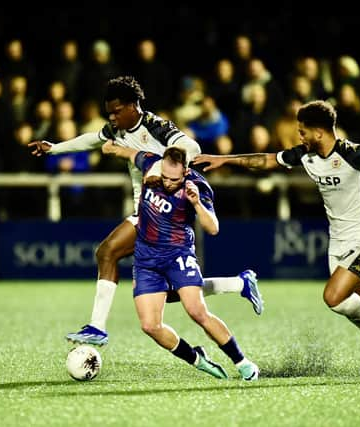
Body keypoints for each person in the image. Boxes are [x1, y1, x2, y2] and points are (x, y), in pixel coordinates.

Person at [193, 100, 360, 382]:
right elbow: (267, 159)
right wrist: (225, 160)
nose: (300, 136)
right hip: (338, 240)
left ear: (319, 133)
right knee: (354, 307)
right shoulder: (305, 155)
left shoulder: (352, 153)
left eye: (303, 131)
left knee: (333, 297)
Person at [29, 76, 263, 346]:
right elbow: (92, 139)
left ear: (134, 106)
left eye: (117, 111)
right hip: (147, 209)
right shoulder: (117, 129)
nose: (113, 118)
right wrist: (54, 148)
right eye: (110, 113)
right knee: (173, 293)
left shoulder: (155, 125)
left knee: (107, 252)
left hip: (165, 211)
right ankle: (239, 283)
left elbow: (192, 147)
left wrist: (157, 167)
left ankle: (97, 327)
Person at [102, 141, 259, 380]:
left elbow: (213, 228)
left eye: (173, 180)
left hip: (177, 255)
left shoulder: (197, 187)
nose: (167, 182)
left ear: (185, 172)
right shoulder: (152, 165)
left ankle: (243, 363)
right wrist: (110, 147)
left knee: (196, 311)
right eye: (164, 177)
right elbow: (129, 152)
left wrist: (196, 203)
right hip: (146, 258)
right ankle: (198, 359)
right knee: (150, 326)